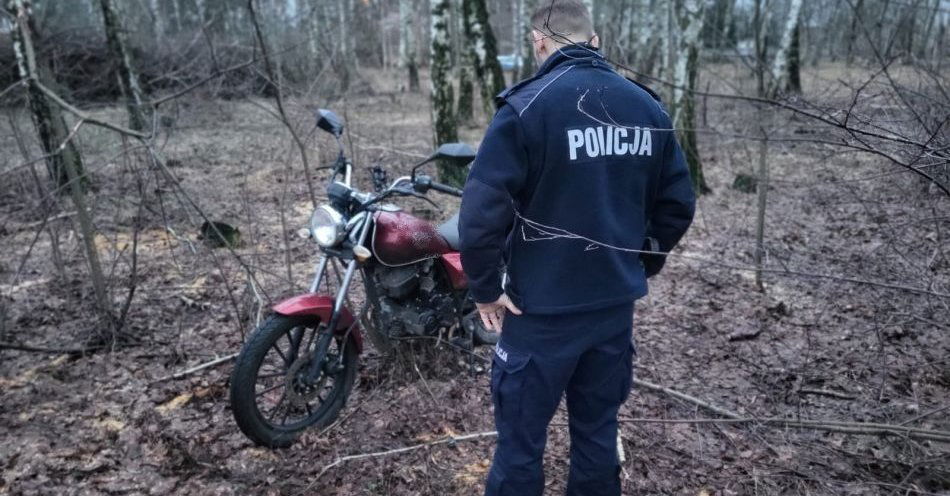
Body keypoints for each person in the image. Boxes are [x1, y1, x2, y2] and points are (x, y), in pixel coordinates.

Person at [457, 1, 696, 495]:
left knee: (520, 445)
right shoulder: (646, 107)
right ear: (595, 40)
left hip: (538, 314)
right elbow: (677, 205)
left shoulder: (527, 107)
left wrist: (483, 290)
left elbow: (481, 212)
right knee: (597, 434)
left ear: (539, 43)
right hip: (611, 311)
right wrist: (637, 263)